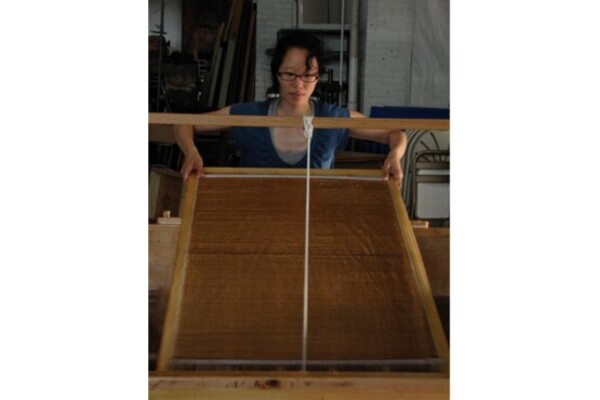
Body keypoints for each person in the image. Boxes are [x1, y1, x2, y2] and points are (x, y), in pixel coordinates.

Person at [175, 30, 407, 186]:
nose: (298, 84)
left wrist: (394, 156)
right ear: (277, 74)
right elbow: (184, 124)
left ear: (317, 77)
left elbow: (395, 133)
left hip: (313, 225)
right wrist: (191, 153)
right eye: (289, 74)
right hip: (257, 224)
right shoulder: (250, 116)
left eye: (307, 75)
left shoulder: (333, 119)